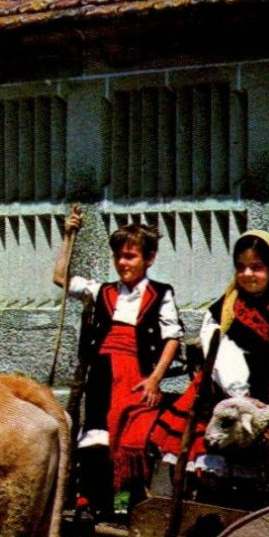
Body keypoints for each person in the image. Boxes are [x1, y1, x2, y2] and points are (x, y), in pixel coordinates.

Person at [146, 228, 269, 478]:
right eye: (241, 267)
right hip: (222, 394)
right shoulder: (221, 312)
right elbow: (221, 354)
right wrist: (240, 395)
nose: (247, 274)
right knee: (212, 465)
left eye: (256, 267)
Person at [52, 207, 183, 513]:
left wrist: (154, 379)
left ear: (148, 259)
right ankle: (95, 504)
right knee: (97, 435)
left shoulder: (161, 294)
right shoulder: (102, 290)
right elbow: (60, 277)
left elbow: (172, 338)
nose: (123, 263)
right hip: (102, 372)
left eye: (131, 256)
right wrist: (68, 234)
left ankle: (133, 505)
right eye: (119, 256)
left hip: (138, 374)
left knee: (134, 436)